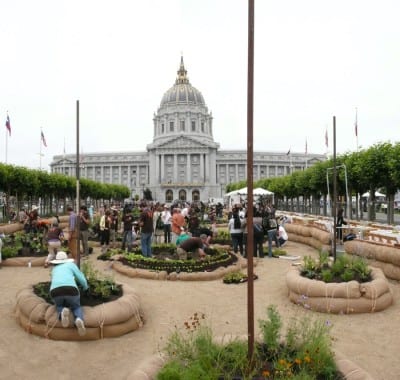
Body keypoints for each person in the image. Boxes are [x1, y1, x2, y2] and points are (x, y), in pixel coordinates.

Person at [49, 251, 89, 336]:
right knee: (76, 307)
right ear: (67, 259)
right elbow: (81, 278)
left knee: (59, 305)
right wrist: (85, 287)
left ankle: (62, 313)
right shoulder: (71, 265)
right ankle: (79, 319)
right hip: (71, 290)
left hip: (55, 291)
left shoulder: (54, 269)